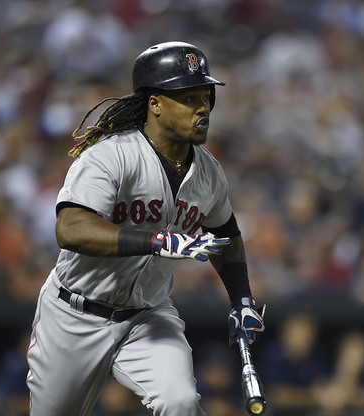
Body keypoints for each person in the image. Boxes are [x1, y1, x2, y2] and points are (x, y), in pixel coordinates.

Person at [26, 41, 265, 416]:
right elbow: (71, 228)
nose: (202, 107)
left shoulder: (208, 173)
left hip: (147, 316)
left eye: (206, 96)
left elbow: (227, 236)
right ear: (155, 103)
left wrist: (242, 298)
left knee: (180, 402)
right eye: (188, 97)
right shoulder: (112, 155)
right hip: (75, 314)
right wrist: (154, 240)